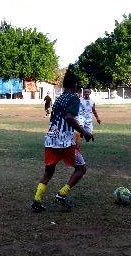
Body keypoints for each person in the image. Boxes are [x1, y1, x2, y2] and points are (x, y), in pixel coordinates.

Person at [30, 72, 94, 213]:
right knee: (81, 169)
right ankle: (62, 194)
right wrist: (84, 132)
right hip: (65, 143)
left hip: (50, 140)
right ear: (75, 85)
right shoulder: (73, 98)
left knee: (49, 172)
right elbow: (69, 117)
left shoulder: (59, 99)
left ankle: (37, 200)